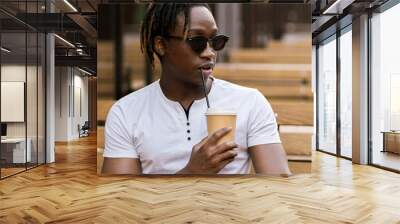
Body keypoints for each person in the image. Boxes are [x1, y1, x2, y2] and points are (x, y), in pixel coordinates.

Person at [102, 3, 292, 175]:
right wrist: (192, 172)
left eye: (215, 41)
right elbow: (121, 197)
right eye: (197, 42)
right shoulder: (126, 112)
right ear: (161, 45)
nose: (210, 52)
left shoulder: (250, 102)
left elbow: (278, 185)